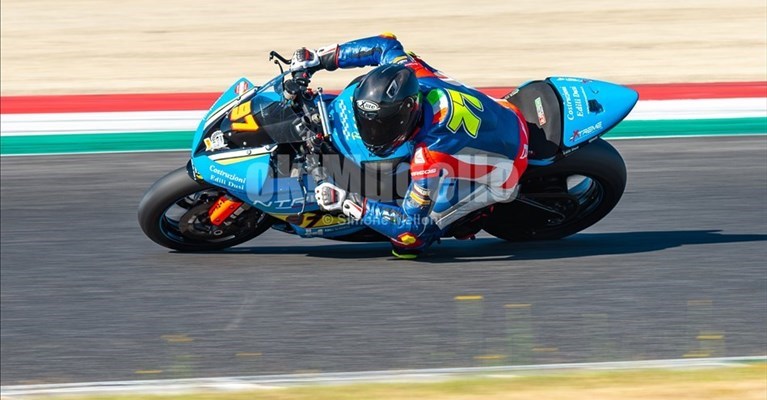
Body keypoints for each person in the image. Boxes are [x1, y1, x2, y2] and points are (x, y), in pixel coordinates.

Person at [290, 33, 529, 259]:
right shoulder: (409, 71)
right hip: (504, 112)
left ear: (406, 115)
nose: (372, 132)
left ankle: (475, 214)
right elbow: (384, 44)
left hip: (508, 166)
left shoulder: (429, 156)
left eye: (381, 126)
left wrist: (348, 202)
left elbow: (410, 225)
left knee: (409, 242)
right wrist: (320, 57)